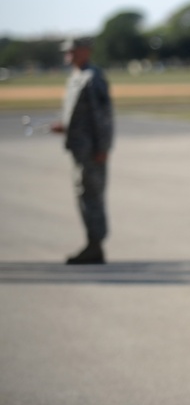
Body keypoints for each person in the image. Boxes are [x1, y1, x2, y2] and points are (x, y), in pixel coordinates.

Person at [50, 36, 113, 265]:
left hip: (92, 152)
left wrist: (102, 148)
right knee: (84, 196)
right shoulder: (76, 77)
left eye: (73, 51)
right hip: (79, 149)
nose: (69, 55)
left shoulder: (92, 78)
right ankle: (92, 244)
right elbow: (80, 115)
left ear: (85, 51)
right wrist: (64, 127)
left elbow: (103, 117)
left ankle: (95, 246)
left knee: (91, 197)